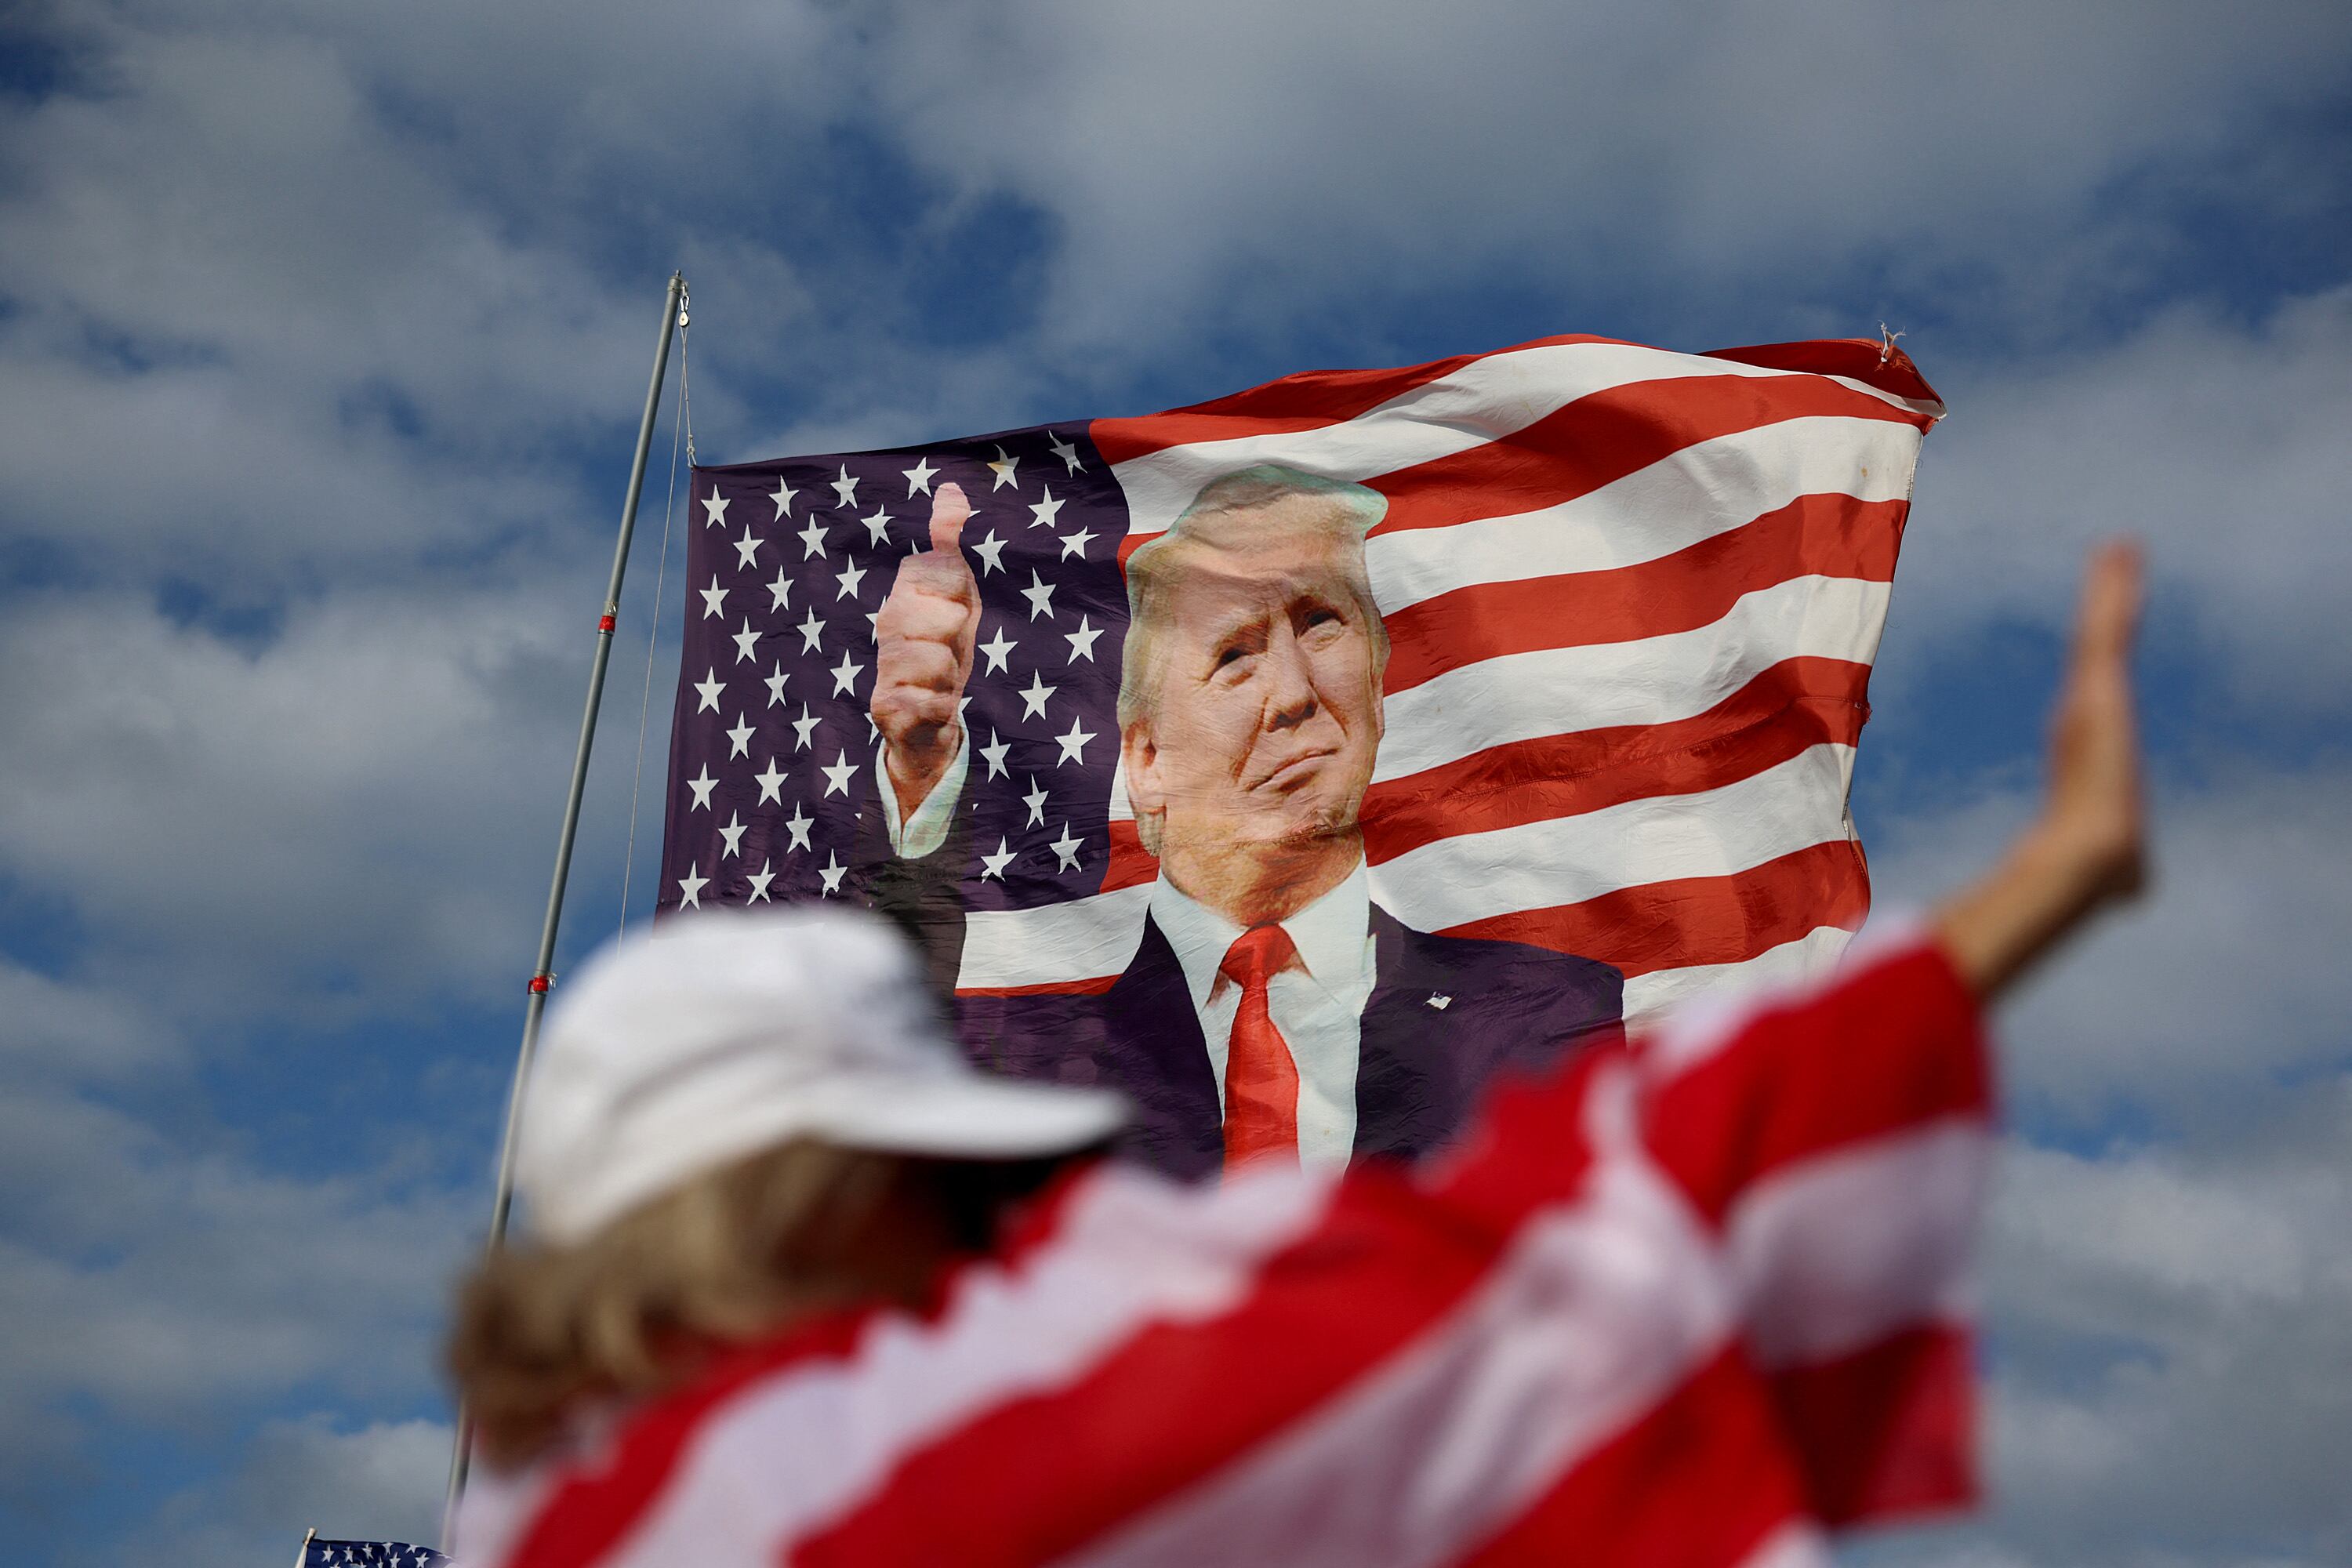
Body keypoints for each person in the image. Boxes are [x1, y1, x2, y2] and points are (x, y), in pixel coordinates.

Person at [448, 539, 2148, 1568]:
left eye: (1326, 643)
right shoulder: (932, 1445)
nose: (1295, 702)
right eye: (935, 1184)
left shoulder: (537, 1519)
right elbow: (1518, 1247)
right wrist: (2041, 889)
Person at [868, 468, 1621, 1178]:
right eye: (1235, 655)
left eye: (1322, 622)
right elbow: (876, 1076)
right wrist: (920, 771)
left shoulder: (1551, 1009)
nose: (1294, 693)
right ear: (1148, 760)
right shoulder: (1029, 1064)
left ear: (1378, 682)